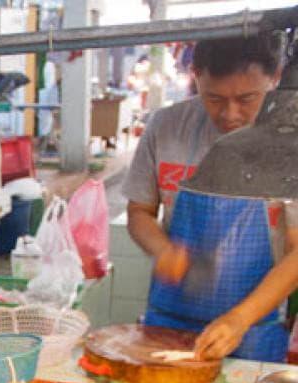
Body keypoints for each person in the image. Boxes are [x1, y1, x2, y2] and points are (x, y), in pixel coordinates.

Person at [123, 32, 298, 361]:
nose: (230, 113)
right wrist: (163, 250)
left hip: (253, 328)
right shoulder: (167, 127)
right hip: (169, 319)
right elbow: (139, 212)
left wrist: (239, 319)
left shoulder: (288, 143)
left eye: (247, 99)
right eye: (214, 99)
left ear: (275, 78)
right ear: (196, 77)